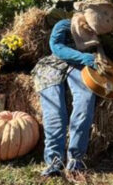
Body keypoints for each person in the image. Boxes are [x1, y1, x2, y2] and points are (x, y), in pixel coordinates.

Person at [33, 20, 97, 179]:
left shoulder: (99, 31)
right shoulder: (64, 24)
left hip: (80, 68)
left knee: (85, 101)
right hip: (53, 65)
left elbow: (101, 51)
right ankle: (54, 160)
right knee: (54, 112)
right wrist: (82, 56)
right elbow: (56, 47)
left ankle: (76, 158)